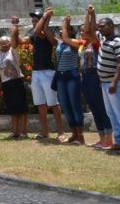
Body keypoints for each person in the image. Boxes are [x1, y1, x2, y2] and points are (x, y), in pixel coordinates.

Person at [36, 9, 86, 146]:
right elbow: (46, 31)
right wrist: (47, 17)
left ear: (70, 31)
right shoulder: (59, 43)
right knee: (65, 105)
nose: (60, 32)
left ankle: (80, 136)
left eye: (62, 29)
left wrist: (65, 23)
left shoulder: (77, 43)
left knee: (75, 105)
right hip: (61, 77)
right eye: (59, 30)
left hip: (72, 75)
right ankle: (74, 133)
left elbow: (65, 38)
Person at [78, 5, 114, 150]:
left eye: (83, 31)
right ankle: (101, 138)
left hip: (95, 76)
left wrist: (90, 14)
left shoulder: (96, 42)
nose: (83, 33)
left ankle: (109, 139)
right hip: (86, 76)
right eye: (80, 31)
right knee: (94, 107)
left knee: (101, 107)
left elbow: (90, 29)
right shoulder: (82, 45)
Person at [97, 16, 120, 156]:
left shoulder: (118, 42)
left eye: (102, 26)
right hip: (105, 83)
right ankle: (119, 142)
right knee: (112, 114)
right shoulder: (104, 40)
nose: (100, 29)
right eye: (99, 26)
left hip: (115, 84)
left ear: (111, 26)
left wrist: (114, 81)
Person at [28, 10, 65, 141]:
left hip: (48, 72)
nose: (33, 23)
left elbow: (40, 30)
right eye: (32, 21)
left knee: (53, 103)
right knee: (40, 104)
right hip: (36, 72)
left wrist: (45, 17)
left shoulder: (45, 35)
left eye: (36, 20)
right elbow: (20, 41)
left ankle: (61, 132)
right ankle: (45, 131)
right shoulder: (35, 36)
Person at [0, 17, 29, 139]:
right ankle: (15, 131)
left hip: (17, 81)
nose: (4, 44)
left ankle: (24, 132)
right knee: (13, 108)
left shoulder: (13, 51)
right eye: (2, 43)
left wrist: (15, 24)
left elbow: (15, 37)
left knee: (21, 108)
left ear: (10, 43)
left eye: (6, 42)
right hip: (6, 83)